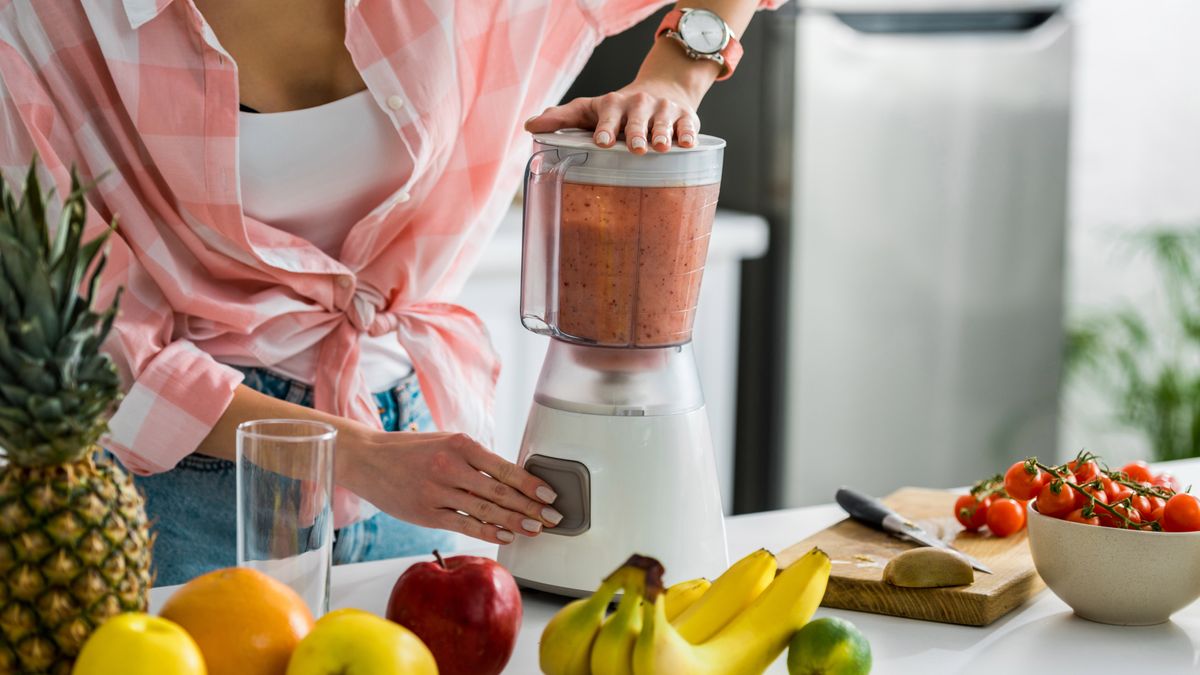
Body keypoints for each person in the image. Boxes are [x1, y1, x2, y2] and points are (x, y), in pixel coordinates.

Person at [0, 0, 780, 585]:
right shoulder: (43, 22)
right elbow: (97, 349)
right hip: (192, 488)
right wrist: (365, 458)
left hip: (426, 459)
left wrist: (676, 76)